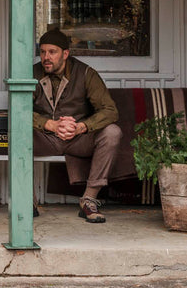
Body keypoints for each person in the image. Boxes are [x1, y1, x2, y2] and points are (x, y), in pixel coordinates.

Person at [33, 28, 122, 223]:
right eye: (43, 52)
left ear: (65, 54)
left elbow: (110, 110)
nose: (46, 57)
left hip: (78, 138)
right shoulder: (32, 74)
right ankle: (27, 199)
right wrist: (49, 124)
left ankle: (89, 199)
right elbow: (17, 109)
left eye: (52, 52)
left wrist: (81, 127)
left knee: (112, 133)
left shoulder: (86, 73)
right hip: (45, 137)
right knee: (17, 131)